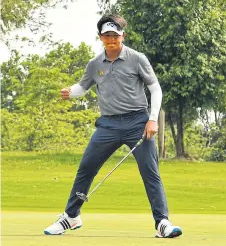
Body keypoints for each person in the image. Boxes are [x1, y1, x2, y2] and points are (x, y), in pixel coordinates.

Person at [44, 14, 182, 238]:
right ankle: (71, 216)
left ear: (122, 36)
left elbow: (155, 89)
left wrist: (153, 118)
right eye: (107, 36)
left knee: (150, 172)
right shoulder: (95, 64)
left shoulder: (137, 58)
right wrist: (71, 92)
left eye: (115, 36)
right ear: (100, 37)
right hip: (107, 124)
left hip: (137, 121)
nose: (111, 40)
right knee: (86, 167)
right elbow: (83, 87)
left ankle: (162, 222)